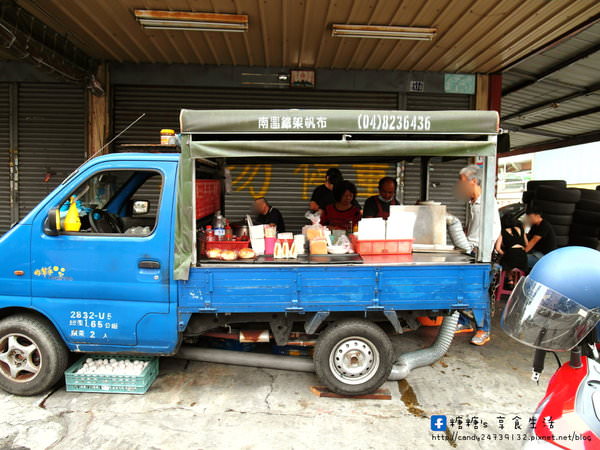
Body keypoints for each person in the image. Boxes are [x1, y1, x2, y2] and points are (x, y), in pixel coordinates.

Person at [454, 165, 501, 346]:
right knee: (464, 290)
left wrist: (480, 250)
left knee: (479, 294)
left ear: (473, 181)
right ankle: (465, 322)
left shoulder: (487, 203)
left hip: (481, 256)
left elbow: (494, 229)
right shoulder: (474, 202)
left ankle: (484, 330)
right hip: (470, 252)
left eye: (462, 182)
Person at [495, 215, 528, 286]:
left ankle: (510, 279)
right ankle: (516, 281)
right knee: (516, 265)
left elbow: (497, 248)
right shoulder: (520, 229)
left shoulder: (502, 232)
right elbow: (526, 243)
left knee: (505, 262)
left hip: (511, 254)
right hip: (522, 255)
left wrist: (505, 254)